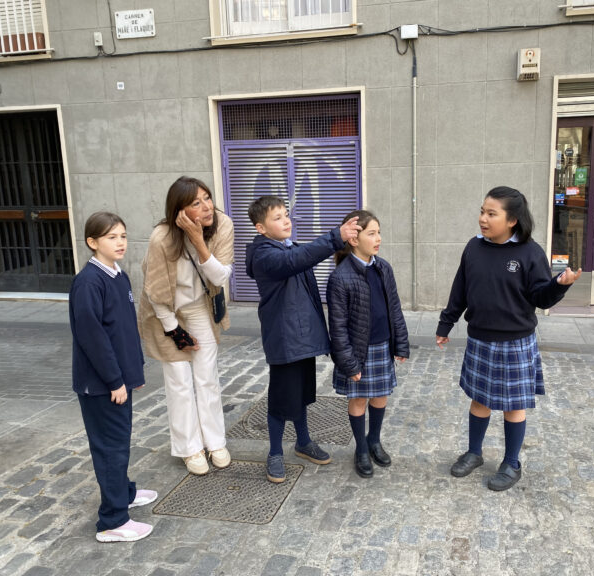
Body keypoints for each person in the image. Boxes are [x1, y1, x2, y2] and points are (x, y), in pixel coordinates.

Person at [436, 186, 581, 491]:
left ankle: (511, 462)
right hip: (480, 338)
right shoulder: (474, 248)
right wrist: (445, 323)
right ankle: (474, 453)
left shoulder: (529, 252)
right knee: (479, 400)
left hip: (516, 342)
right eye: (482, 211)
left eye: (492, 213)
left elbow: (542, 298)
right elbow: (459, 289)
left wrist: (559, 285)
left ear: (512, 219)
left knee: (514, 405)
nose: (483, 219)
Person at [245, 196, 361, 483]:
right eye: (277, 218)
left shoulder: (290, 248)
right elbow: (293, 261)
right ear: (261, 228)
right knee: (280, 399)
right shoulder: (265, 255)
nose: (286, 221)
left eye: (286, 215)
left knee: (302, 394)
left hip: (304, 338)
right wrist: (336, 237)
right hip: (285, 340)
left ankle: (303, 442)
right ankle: (274, 453)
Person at [69, 211, 156, 543]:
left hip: (120, 379)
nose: (120, 242)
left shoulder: (119, 276)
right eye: (111, 237)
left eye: (122, 235)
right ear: (92, 243)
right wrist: (114, 381)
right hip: (102, 385)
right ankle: (113, 521)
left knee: (120, 444)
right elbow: (93, 338)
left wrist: (133, 374)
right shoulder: (89, 282)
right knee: (110, 448)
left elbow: (123, 332)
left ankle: (125, 493)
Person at [139, 177, 234, 476]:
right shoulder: (162, 238)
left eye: (207, 198)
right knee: (179, 380)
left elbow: (219, 277)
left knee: (207, 377)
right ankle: (189, 447)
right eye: (196, 203)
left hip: (200, 307)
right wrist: (174, 331)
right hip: (167, 311)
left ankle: (215, 442)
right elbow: (154, 291)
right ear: (179, 211)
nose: (207, 207)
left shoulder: (222, 225)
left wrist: (197, 239)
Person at [326, 210, 410, 478]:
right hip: (359, 351)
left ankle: (374, 440)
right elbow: (337, 327)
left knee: (381, 396)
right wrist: (349, 363)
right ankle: (360, 448)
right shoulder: (340, 277)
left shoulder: (383, 268)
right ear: (354, 239)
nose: (378, 239)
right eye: (371, 233)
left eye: (379, 232)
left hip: (382, 346)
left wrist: (401, 344)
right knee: (359, 399)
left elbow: (394, 308)